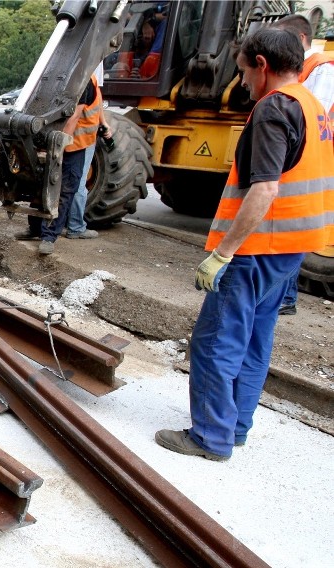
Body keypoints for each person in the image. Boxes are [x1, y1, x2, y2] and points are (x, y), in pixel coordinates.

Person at [155, 28, 332, 461]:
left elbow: (265, 189)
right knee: (255, 338)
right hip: (291, 246)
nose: (243, 82)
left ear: (263, 66)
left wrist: (223, 252)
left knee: (216, 340)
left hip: (256, 248)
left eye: (244, 72)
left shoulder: (274, 111)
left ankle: (209, 437)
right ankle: (234, 428)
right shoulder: (311, 105)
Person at [271, 14, 334, 315]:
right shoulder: (307, 69)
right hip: (304, 157)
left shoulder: (321, 68)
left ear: (298, 40)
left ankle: (286, 297)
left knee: (293, 228)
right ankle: (285, 296)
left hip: (307, 160)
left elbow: (313, 117)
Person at [19, 77, 98, 254]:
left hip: (74, 144)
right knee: (41, 184)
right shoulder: (70, 74)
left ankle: (48, 237)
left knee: (64, 190)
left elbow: (75, 116)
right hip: (58, 141)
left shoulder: (83, 79)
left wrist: (58, 148)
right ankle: (36, 229)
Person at [67, 67, 110, 239]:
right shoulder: (88, 79)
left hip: (75, 139)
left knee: (70, 182)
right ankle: (76, 227)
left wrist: (104, 123)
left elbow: (96, 103)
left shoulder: (82, 79)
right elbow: (77, 115)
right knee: (78, 184)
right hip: (80, 141)